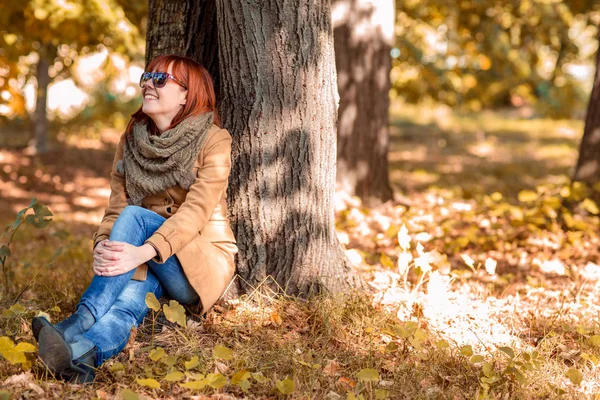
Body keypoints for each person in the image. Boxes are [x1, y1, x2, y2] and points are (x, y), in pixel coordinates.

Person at [31, 55, 238, 384]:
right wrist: (103, 244)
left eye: (160, 79)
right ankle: (82, 357)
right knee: (127, 302)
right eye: (147, 76)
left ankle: (75, 323)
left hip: (196, 262)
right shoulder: (131, 140)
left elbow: (196, 210)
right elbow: (115, 205)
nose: (147, 83)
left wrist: (143, 251)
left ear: (187, 95)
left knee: (135, 217)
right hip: (140, 252)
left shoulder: (214, 140)